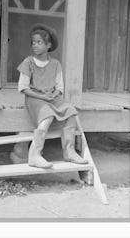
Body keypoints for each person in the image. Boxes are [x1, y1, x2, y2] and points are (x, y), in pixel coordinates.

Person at [17, 23, 89, 169]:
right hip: (34, 98)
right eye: (33, 42)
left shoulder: (55, 64)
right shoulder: (28, 62)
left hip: (51, 97)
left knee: (70, 111)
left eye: (39, 42)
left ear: (48, 45)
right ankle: (35, 155)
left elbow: (59, 87)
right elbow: (23, 88)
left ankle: (69, 152)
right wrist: (43, 97)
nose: (35, 45)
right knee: (47, 114)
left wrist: (54, 95)